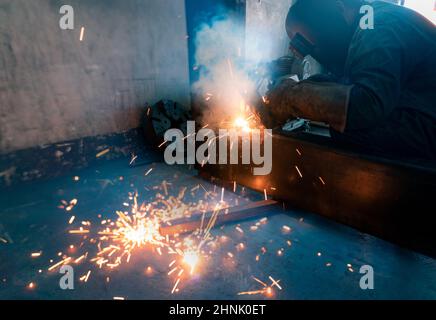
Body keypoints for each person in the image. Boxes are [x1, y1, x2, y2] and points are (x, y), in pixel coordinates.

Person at [259, 0, 436, 160]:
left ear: (338, 8)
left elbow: (366, 103)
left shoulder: (377, 24)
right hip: (422, 121)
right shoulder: (367, 24)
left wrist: (291, 97)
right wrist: (306, 87)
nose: (315, 53)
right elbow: (348, 82)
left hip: (429, 129)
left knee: (352, 130)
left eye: (312, 45)